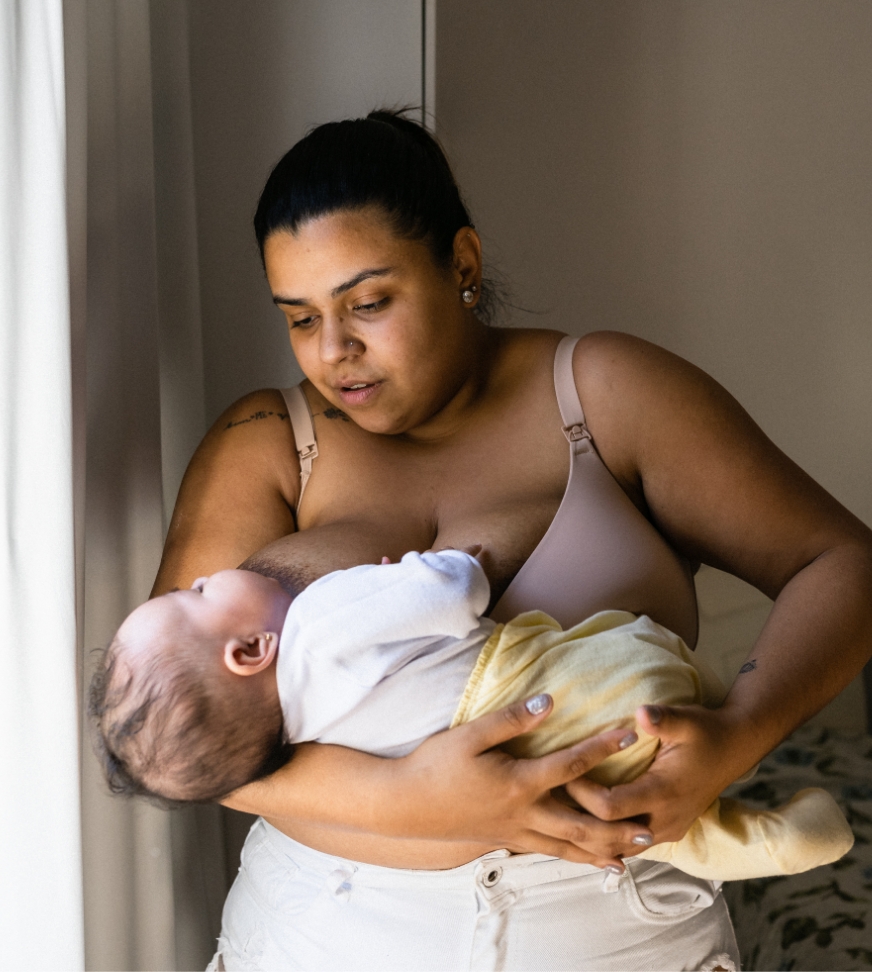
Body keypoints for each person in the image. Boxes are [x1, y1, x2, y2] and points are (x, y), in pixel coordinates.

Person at [150, 110, 872, 971]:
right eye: (300, 318)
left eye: (368, 303)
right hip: (324, 933)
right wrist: (410, 799)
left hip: (618, 934)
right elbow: (175, 729)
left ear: (461, 263)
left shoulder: (603, 395)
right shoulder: (267, 441)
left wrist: (741, 732)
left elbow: (840, 560)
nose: (334, 352)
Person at [94, 547, 852, 884]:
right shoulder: (318, 618)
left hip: (547, 790)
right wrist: (441, 563)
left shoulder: (298, 734)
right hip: (557, 695)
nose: (197, 578)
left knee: (646, 832)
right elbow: (452, 594)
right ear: (251, 651)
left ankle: (772, 839)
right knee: (624, 657)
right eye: (193, 597)